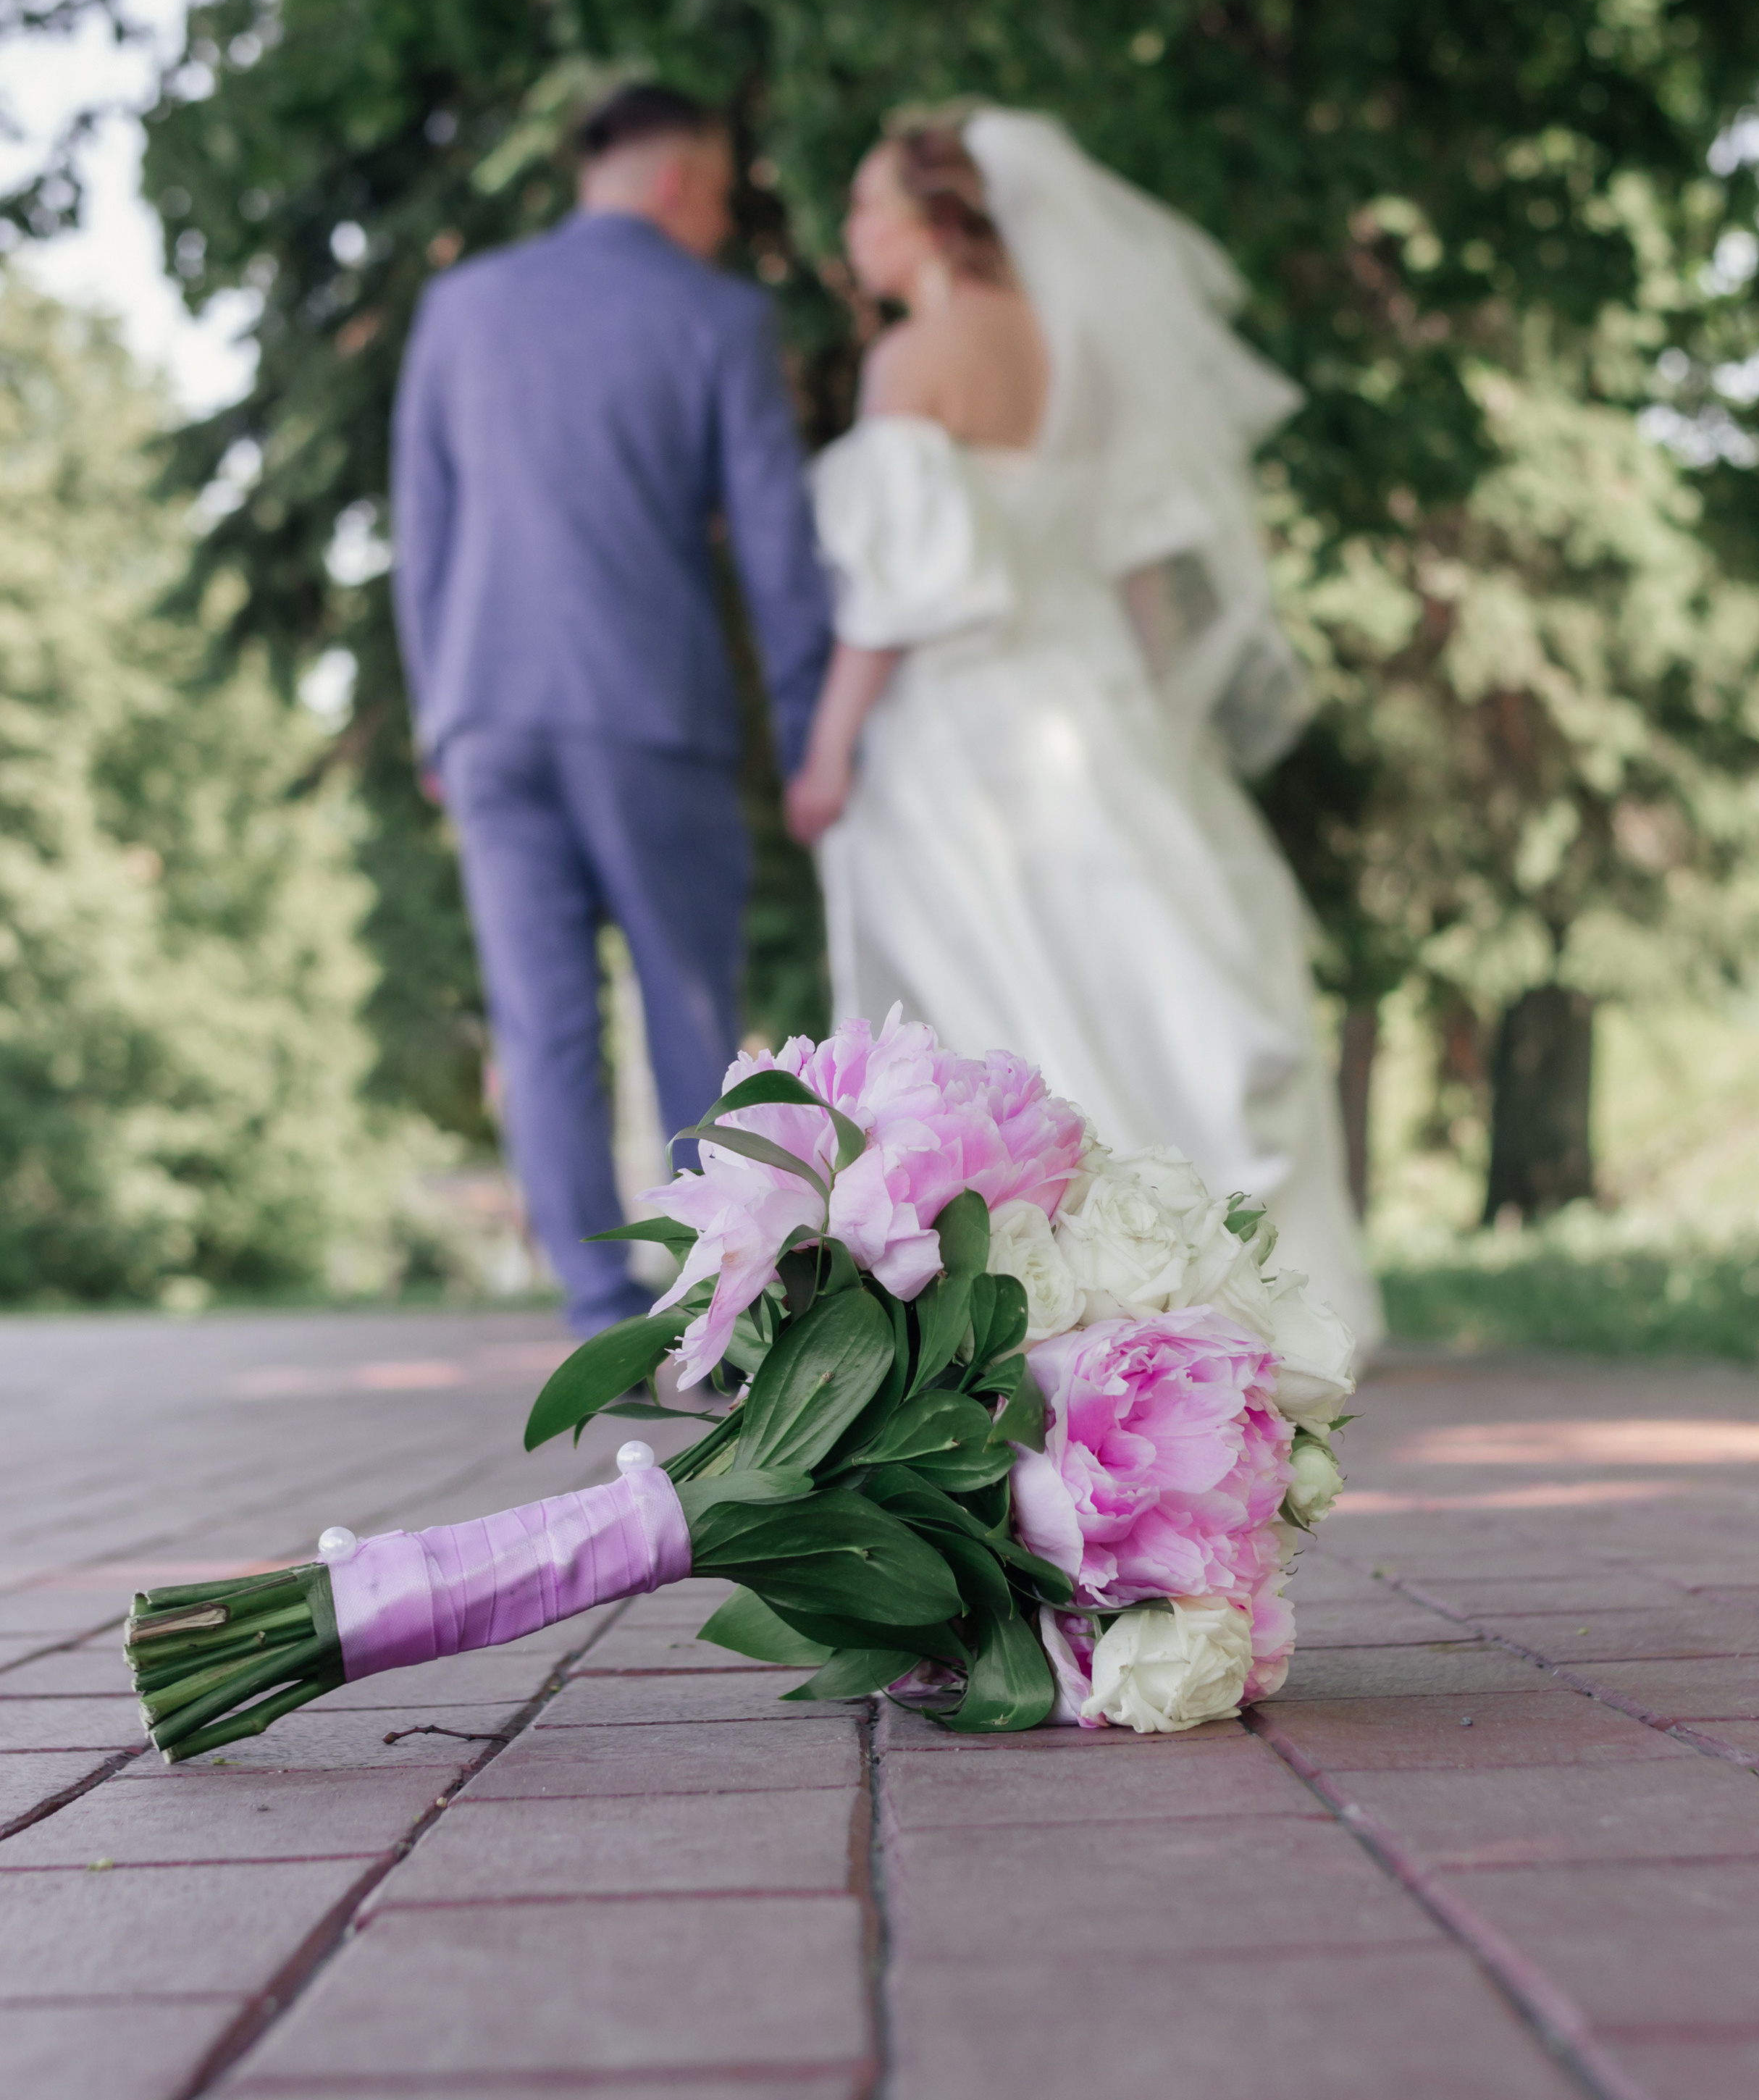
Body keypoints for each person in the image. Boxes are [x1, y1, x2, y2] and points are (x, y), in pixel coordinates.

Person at [784, 109, 1381, 1348]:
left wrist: (830, 747)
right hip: (1095, 708)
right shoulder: (1091, 355)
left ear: (937, 218)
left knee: (998, 996)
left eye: (866, 208)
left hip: (967, 728)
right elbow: (1146, 581)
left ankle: (1051, 1302)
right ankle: (1220, 1279)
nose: (854, 236)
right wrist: (1155, 723)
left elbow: (897, 598)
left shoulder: (913, 363)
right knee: (1142, 982)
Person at [392, 83, 833, 1335]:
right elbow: (776, 548)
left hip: (484, 708)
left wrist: (439, 717)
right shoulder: (718, 315)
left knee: (541, 1021)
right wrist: (808, 733)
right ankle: (716, 1300)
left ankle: (597, 1308)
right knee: (688, 1005)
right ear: (684, 179)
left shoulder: (461, 306)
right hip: (647, 705)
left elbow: (423, 530)